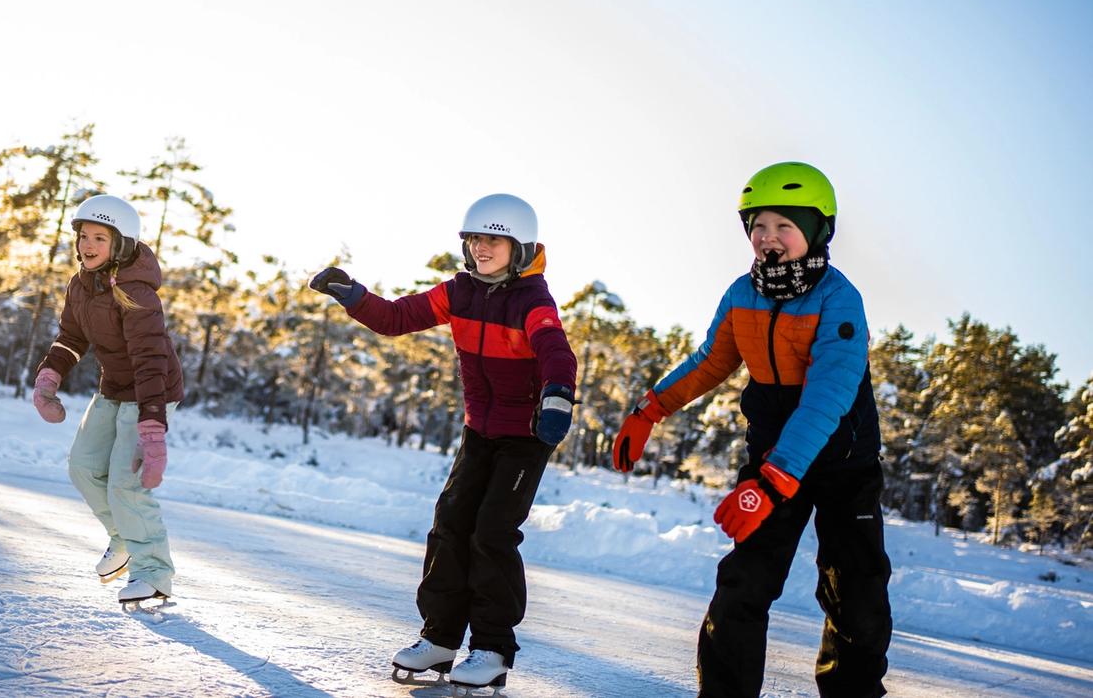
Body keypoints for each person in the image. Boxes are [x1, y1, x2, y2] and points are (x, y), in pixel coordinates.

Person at [612, 162, 891, 698]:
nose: (768, 238)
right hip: (770, 459)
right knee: (743, 582)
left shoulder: (839, 299)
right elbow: (709, 361)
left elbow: (827, 396)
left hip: (842, 462)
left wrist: (773, 480)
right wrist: (649, 410)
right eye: (758, 226)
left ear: (815, 231)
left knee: (855, 591)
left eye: (784, 226)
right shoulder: (744, 293)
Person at [310, 193, 577, 693]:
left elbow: (555, 350)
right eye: (474, 239)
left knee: (492, 531)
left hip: (526, 436)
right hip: (479, 431)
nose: (481, 248)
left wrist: (559, 395)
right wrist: (352, 295)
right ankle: (438, 640)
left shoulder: (532, 300)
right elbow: (396, 318)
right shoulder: (459, 291)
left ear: (519, 247)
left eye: (493, 240)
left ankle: (492, 648)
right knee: (450, 524)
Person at [31, 193, 184, 606]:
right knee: (82, 466)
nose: (88, 245)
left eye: (100, 237)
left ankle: (154, 572)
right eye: (83, 235)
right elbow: (71, 338)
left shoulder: (137, 293)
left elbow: (151, 360)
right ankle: (123, 539)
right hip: (114, 388)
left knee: (125, 484)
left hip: (150, 392)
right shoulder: (81, 285)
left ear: (120, 244)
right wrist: (49, 378)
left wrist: (152, 430)